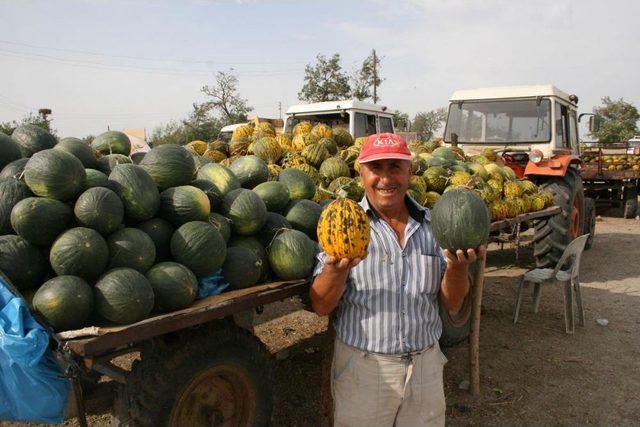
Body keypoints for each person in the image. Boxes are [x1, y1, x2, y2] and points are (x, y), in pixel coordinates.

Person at [310, 133, 486, 427]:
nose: (385, 178)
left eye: (395, 167)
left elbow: (453, 304)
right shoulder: (342, 224)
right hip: (364, 370)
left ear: (410, 172)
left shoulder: (436, 225)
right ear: (361, 173)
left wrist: (457, 268)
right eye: (376, 168)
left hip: (425, 368)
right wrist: (336, 270)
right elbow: (320, 305)